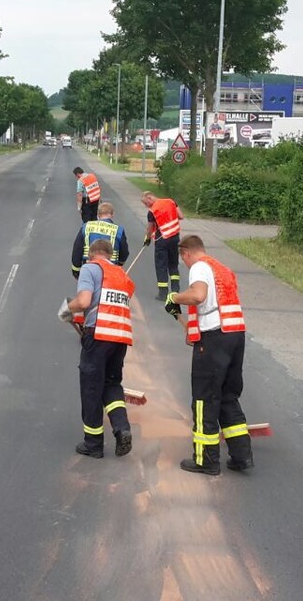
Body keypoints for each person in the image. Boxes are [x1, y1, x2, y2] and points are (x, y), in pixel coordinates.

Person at [164, 235, 252, 476]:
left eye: (183, 258)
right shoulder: (221, 269)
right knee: (228, 396)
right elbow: (213, 305)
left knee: (204, 399)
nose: (184, 263)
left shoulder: (199, 267)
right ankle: (241, 456)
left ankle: (206, 460)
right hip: (235, 335)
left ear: (186, 253)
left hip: (214, 340)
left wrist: (174, 298)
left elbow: (198, 296)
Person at [61, 238, 135, 459]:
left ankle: (93, 444)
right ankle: (122, 429)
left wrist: (66, 308)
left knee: (91, 387)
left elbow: (84, 301)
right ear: (110, 255)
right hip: (120, 338)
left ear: (91, 255)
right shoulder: (123, 276)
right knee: (112, 384)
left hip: (99, 335)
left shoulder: (90, 268)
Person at [140, 191, 183, 300]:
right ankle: (175, 290)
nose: (146, 206)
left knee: (161, 266)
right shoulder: (171, 202)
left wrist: (147, 239)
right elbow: (181, 216)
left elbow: (150, 228)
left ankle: (163, 294)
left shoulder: (152, 211)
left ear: (150, 197)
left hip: (162, 240)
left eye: (146, 203)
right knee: (173, 264)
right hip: (175, 238)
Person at [71, 202, 131, 278]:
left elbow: (77, 249)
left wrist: (76, 270)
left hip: (89, 266)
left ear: (98, 214)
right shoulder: (118, 230)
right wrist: (119, 264)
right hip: (110, 269)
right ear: (112, 214)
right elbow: (124, 253)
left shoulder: (86, 226)